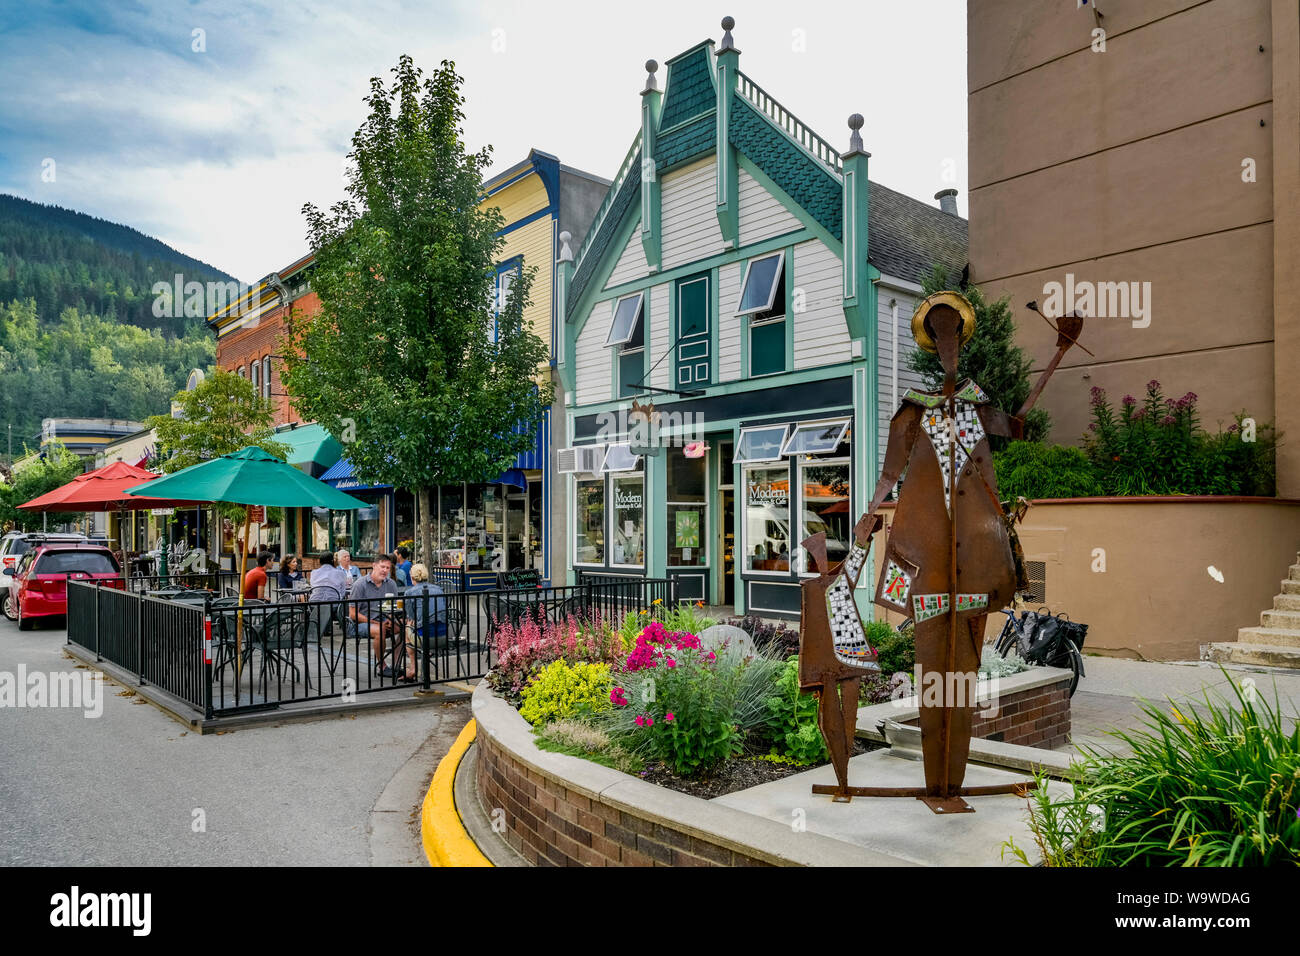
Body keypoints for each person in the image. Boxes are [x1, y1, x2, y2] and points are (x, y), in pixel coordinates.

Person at [347, 553, 400, 676]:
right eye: (382, 567)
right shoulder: (360, 585)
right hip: (360, 623)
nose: (385, 570)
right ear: (374, 566)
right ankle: (381, 666)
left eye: (388, 568)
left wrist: (391, 619)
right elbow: (353, 614)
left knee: (406, 627)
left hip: (383, 620)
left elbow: (392, 606)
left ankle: (396, 663)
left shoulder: (391, 584)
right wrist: (379, 623)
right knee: (380, 629)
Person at [400, 563, 447, 681]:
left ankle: (413, 669)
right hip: (444, 637)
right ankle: (425, 656)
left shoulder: (410, 593)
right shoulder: (439, 589)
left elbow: (411, 619)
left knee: (406, 628)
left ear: (411, 577)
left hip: (424, 639)